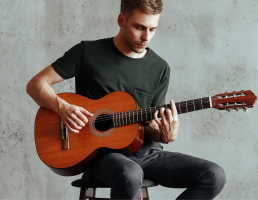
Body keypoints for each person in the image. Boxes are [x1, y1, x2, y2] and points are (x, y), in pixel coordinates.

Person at [27, 0, 226, 199]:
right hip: (103, 157)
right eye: (139, 27)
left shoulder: (160, 68)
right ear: (121, 19)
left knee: (214, 175)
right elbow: (36, 84)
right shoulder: (87, 52)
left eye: (152, 29)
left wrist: (165, 135)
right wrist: (62, 107)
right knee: (130, 174)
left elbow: (149, 128)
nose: (146, 37)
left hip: (147, 155)